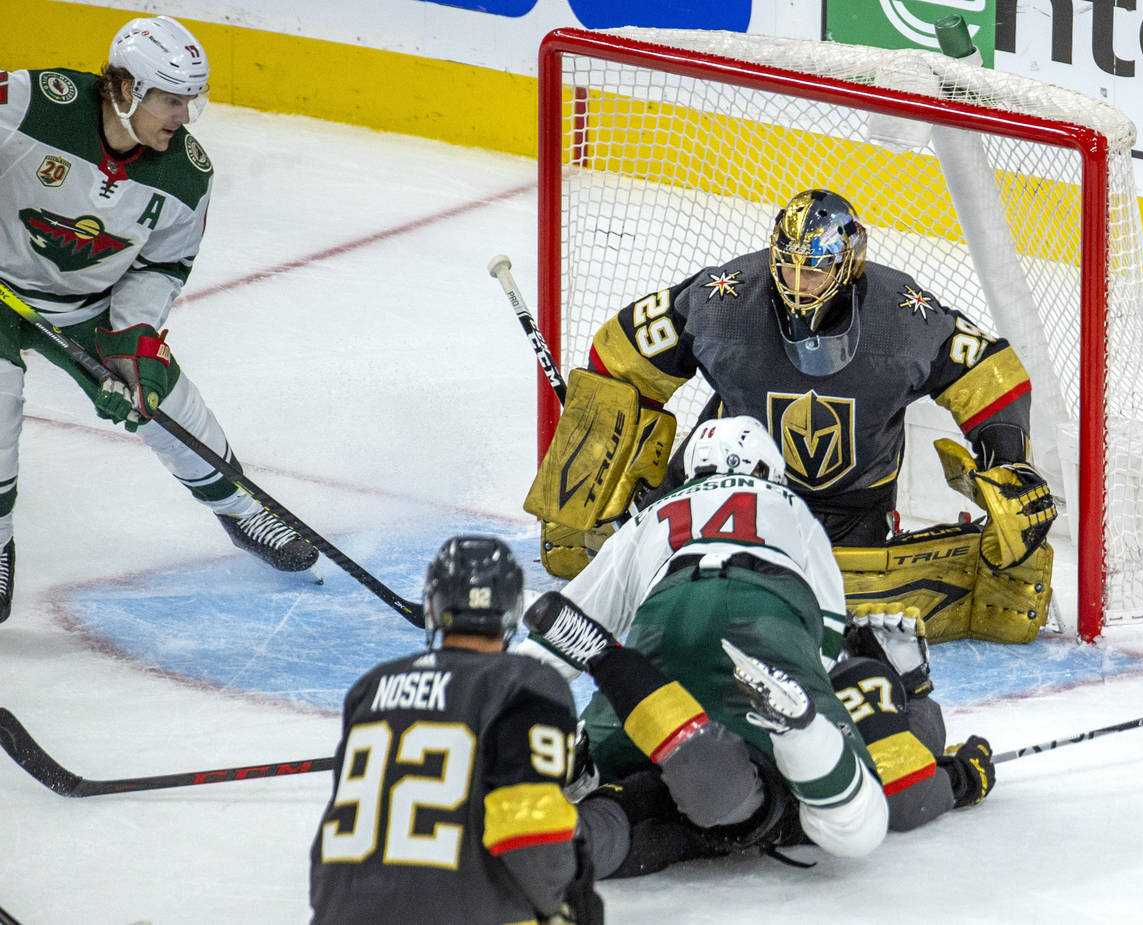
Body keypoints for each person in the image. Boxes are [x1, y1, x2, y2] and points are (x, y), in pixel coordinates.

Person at [524, 189, 1057, 644]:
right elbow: (619, 357)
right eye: (788, 267)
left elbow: (991, 371)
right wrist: (600, 449)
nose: (797, 282)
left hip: (854, 503)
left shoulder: (904, 317)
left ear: (847, 264)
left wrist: (1006, 461)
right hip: (729, 486)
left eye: (814, 270)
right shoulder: (722, 300)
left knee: (836, 618)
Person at [518, 417, 993, 875]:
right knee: (859, 818)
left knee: (627, 769)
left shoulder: (653, 516)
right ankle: (800, 732)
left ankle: (590, 757)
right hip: (766, 623)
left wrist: (507, 688)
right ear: (765, 469)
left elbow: (568, 622)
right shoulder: (791, 508)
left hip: (664, 629)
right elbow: (824, 640)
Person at [0, 16, 316, 623]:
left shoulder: (186, 173)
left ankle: (242, 508)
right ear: (124, 90)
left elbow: (162, 266)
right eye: (171, 101)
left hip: (89, 306)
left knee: (163, 396)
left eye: (189, 102)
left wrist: (134, 340)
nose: (183, 116)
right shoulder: (32, 102)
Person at [309, 535, 603, 925]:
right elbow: (530, 836)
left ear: (433, 605)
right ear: (512, 608)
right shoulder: (527, 684)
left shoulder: (371, 686)